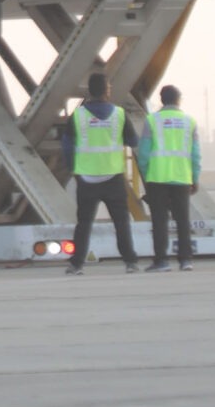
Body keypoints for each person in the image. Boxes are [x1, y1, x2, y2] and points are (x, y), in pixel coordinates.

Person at [58, 74, 141, 275]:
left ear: (89, 92)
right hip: (113, 175)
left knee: (84, 223)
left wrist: (73, 169)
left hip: (86, 177)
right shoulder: (119, 115)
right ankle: (130, 261)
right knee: (121, 222)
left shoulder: (77, 116)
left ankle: (76, 264)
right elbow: (133, 141)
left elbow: (67, 146)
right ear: (106, 90)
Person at [140, 84, 202, 272]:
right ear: (178, 99)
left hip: (157, 177)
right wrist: (195, 176)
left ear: (161, 99)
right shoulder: (189, 122)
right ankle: (186, 260)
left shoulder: (152, 120)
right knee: (183, 220)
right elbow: (196, 154)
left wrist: (146, 175)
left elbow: (143, 153)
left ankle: (161, 261)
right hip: (182, 177)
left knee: (159, 222)